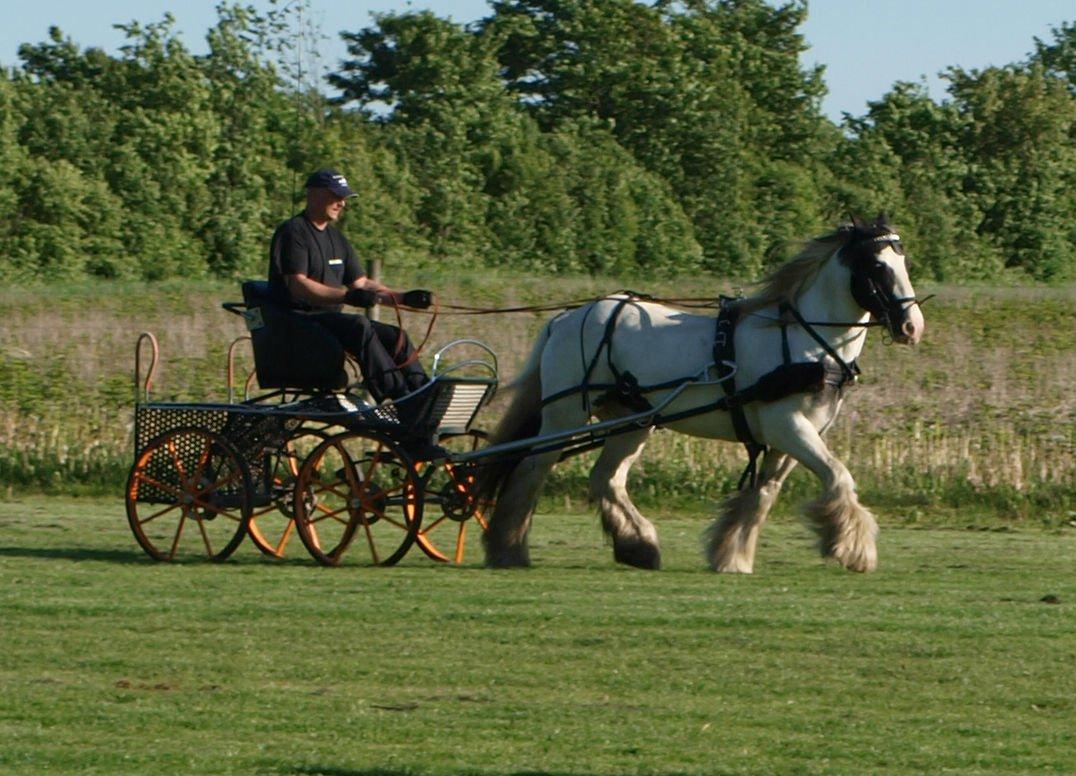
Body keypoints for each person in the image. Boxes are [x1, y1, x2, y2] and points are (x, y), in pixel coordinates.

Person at [268, 169, 432, 404]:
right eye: (336, 196)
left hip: (330, 322)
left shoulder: (336, 238)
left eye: (344, 198)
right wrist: (346, 297)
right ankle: (399, 397)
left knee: (397, 336)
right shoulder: (294, 232)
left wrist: (403, 297)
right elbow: (298, 285)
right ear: (315, 194)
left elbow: (361, 283)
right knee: (359, 325)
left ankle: (424, 394)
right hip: (299, 320)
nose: (342, 203)